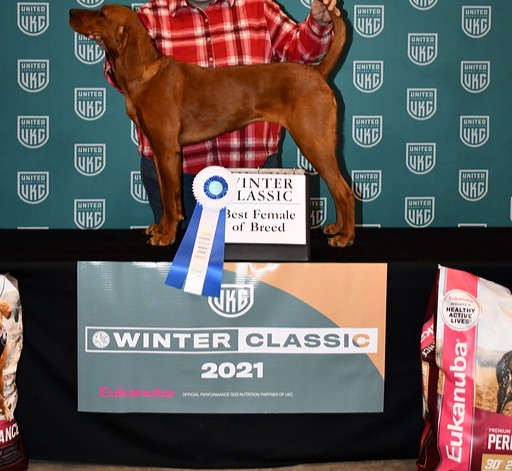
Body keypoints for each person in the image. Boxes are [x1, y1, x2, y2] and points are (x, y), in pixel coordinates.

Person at [105, 0, 340, 226]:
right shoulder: (149, 16)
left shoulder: (259, 6)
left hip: (253, 180)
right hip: (179, 178)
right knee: (179, 252)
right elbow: (126, 83)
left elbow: (302, 55)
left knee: (256, 256)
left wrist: (319, 24)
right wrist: (111, 46)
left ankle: (345, 222)